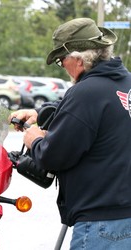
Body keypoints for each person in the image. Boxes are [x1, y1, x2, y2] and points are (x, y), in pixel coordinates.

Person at [9, 18, 131, 249]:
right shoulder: (124, 84)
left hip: (100, 224)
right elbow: (92, 117)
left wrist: (34, 140)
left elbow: (54, 156)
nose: (62, 66)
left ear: (78, 59)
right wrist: (40, 113)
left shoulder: (85, 93)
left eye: (61, 60)